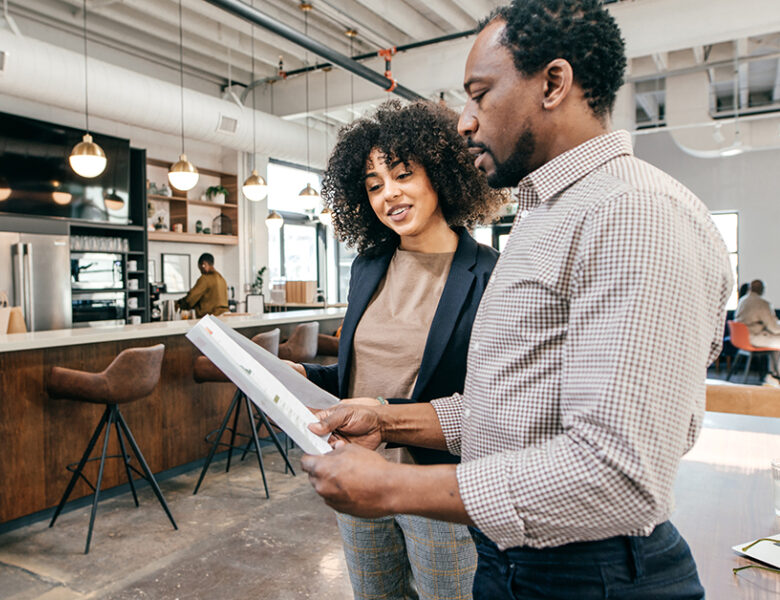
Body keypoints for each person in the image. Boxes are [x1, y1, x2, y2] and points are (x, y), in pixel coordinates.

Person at [300, 1, 733, 599]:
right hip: (515, 560)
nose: (465, 122)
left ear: (553, 83)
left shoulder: (632, 214)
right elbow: (505, 414)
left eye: (480, 94)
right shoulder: (544, 217)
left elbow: (620, 476)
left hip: (590, 573)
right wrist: (386, 418)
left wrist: (395, 489)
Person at [295, 99, 503, 600]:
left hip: (437, 487)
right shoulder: (368, 266)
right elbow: (359, 374)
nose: (389, 194)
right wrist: (295, 373)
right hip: (357, 477)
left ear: (441, 175)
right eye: (373, 186)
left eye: (403, 175)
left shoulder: (490, 275)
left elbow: (490, 404)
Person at [734, 279, 780, 383]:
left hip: (741, 338)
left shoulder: (742, 300)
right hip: (753, 338)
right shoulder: (762, 303)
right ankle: (774, 375)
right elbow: (773, 328)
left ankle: (773, 373)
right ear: (762, 290)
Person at [179, 253, 229, 317]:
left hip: (212, 317)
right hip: (225, 316)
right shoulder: (221, 278)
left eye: (200, 268)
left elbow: (190, 300)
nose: (201, 272)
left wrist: (179, 304)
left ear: (204, 264)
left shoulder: (205, 279)